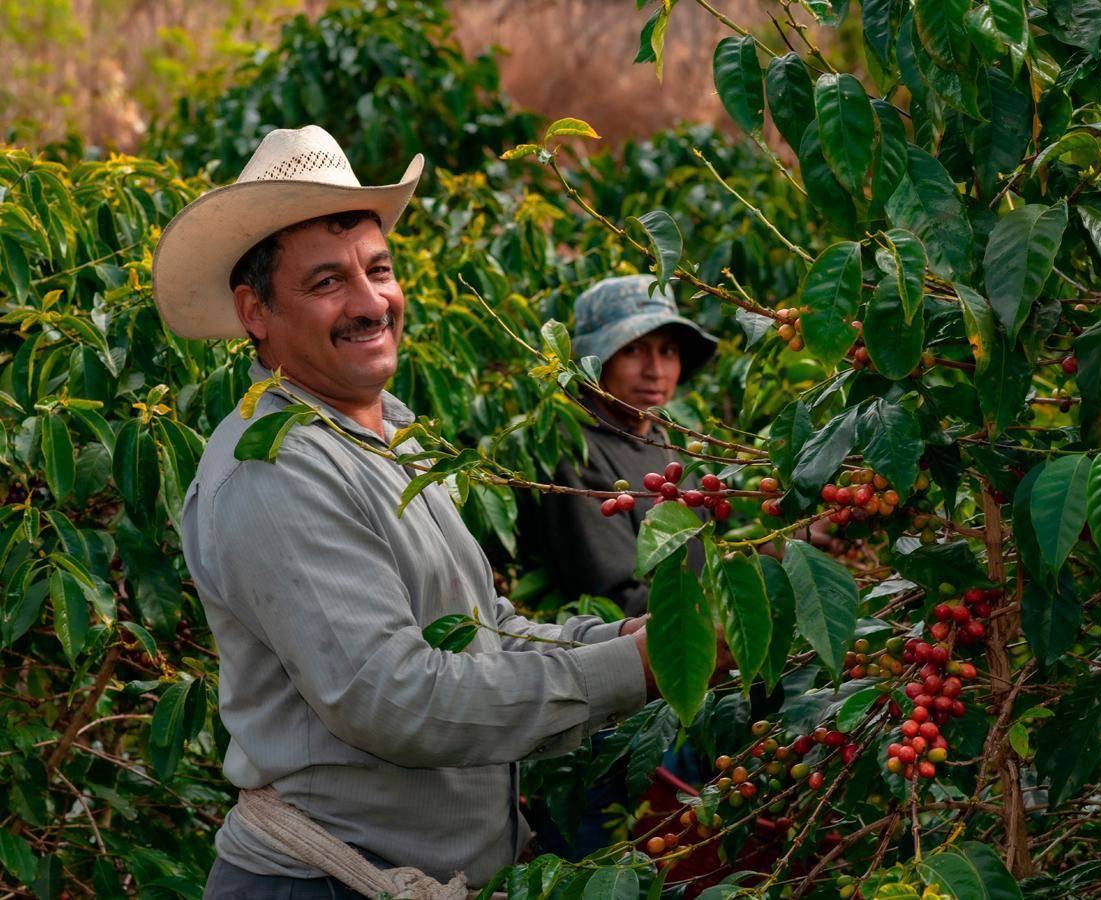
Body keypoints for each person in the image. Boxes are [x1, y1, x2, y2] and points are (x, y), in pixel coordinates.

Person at [152, 125, 700, 898]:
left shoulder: (394, 433)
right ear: (255, 312)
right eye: (325, 283)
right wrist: (631, 671)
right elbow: (396, 701)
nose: (370, 301)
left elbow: (476, 628)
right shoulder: (273, 468)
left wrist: (622, 639)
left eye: (378, 270)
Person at [528, 274, 717, 617]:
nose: (655, 371)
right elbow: (620, 598)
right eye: (632, 349)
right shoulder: (574, 450)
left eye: (668, 351)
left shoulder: (671, 441)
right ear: (593, 361)